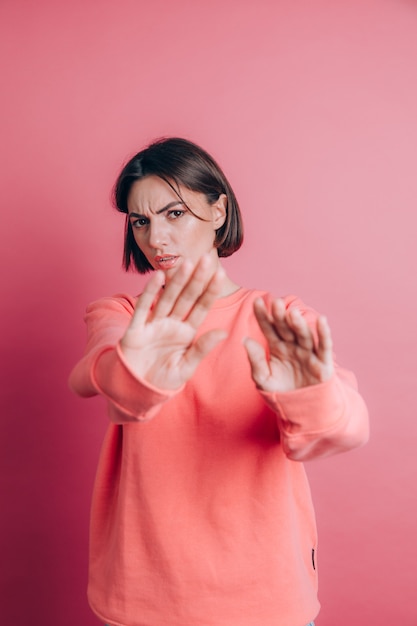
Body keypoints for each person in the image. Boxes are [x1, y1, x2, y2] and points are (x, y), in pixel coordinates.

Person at [69, 137, 369, 626]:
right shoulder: (122, 315)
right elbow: (103, 367)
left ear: (218, 210)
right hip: (143, 601)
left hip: (264, 601)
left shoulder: (279, 320)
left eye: (174, 214)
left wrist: (309, 395)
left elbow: (348, 426)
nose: (156, 239)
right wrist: (132, 373)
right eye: (140, 221)